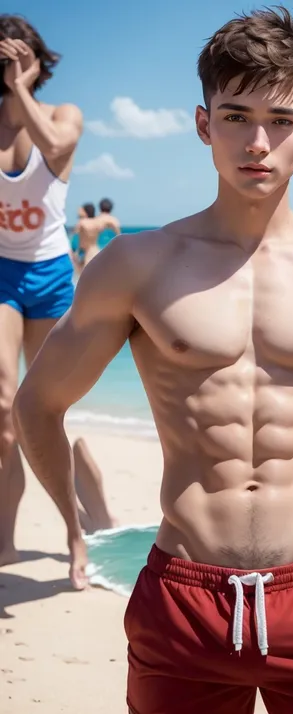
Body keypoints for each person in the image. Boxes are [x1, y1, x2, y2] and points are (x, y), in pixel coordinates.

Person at [13, 7, 293, 713]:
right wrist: (72, 524)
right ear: (202, 122)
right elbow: (39, 402)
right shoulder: (137, 266)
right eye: (236, 114)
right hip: (183, 597)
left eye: (280, 119)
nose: (257, 141)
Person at [0, 15, 115, 564]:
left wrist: (20, 85)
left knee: (42, 411)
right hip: (2, 274)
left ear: (41, 62)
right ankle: (4, 540)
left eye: (22, 58)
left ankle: (75, 530)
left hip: (50, 275)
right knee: (3, 410)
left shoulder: (62, 115)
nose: (11, 68)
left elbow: (54, 148)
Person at [71, 198, 121, 274]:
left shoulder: (95, 220)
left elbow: (78, 237)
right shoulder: (114, 221)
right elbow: (119, 238)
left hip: (91, 251)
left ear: (100, 208)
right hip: (106, 253)